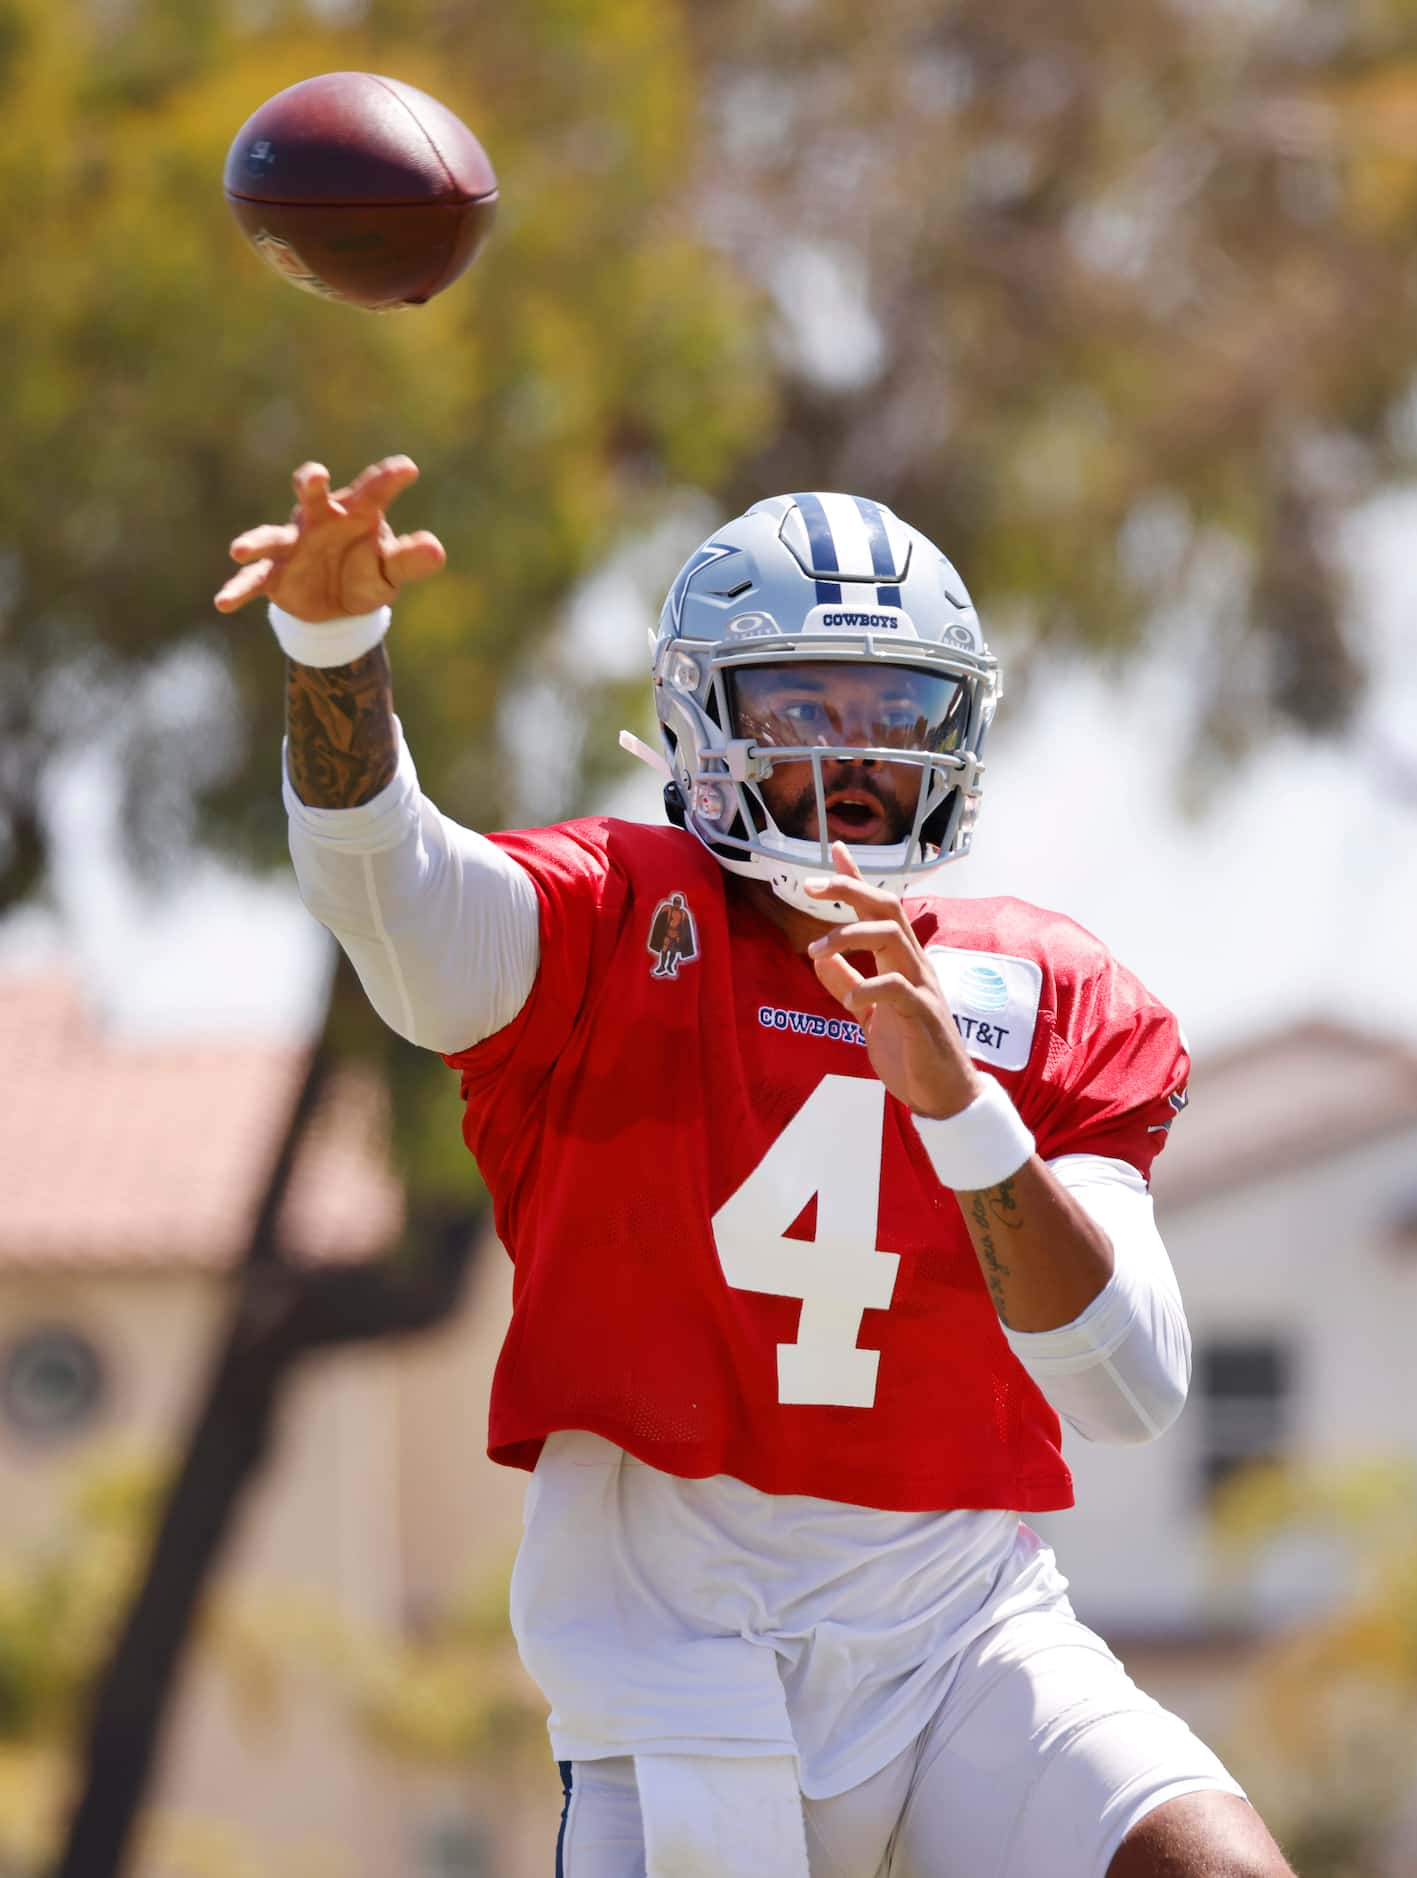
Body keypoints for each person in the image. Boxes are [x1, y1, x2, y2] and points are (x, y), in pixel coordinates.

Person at [216, 459, 1295, 1878]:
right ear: (703, 722)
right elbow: (394, 902)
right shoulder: (609, 922)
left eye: (893, 713)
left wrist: (954, 1099)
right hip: (678, 1671)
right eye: (802, 709)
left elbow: (1128, 1387)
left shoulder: (1040, 996)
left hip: (959, 1637)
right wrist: (334, 655)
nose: (853, 760)